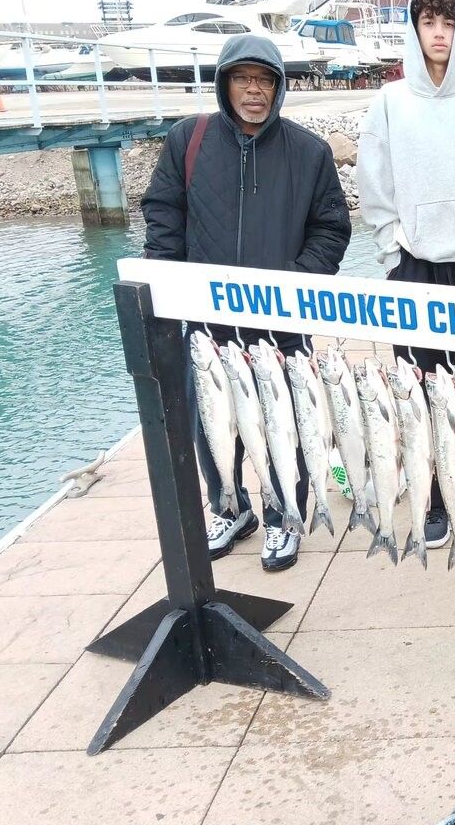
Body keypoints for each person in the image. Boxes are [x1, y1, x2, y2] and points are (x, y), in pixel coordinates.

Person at [142, 34, 351, 571]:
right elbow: (163, 216)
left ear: (279, 88)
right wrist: (166, 286)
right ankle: (228, 505)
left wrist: (295, 284)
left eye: (264, 80)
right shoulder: (188, 140)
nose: (254, 91)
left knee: (287, 420)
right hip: (208, 321)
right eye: (243, 79)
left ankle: (286, 514)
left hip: (280, 319)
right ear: (225, 83)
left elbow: (331, 229)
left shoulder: (309, 152)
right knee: (212, 420)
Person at [356, 0, 455, 549]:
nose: (439, 31)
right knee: (419, 390)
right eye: (428, 21)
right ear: (414, 29)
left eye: (448, 20)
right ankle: (437, 500)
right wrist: (392, 251)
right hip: (416, 267)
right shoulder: (389, 103)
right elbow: (374, 184)